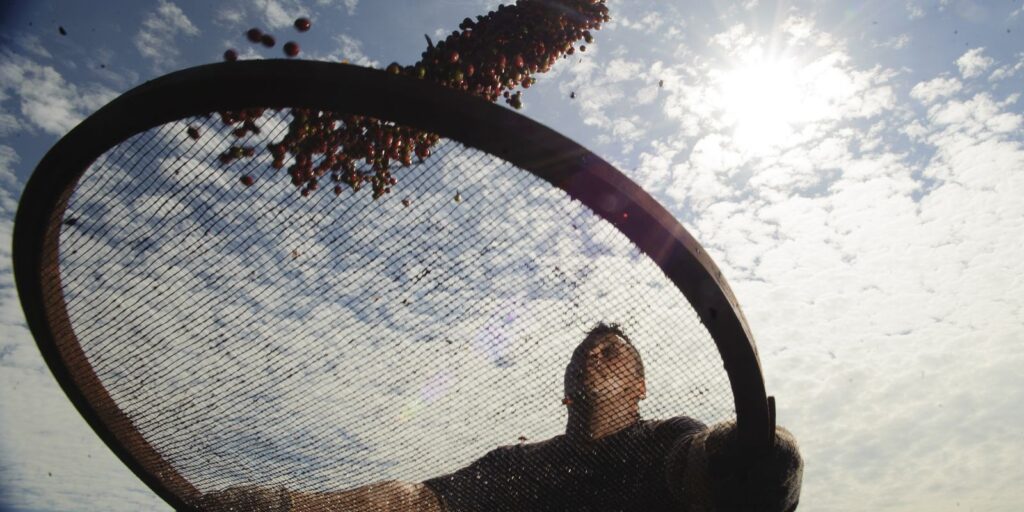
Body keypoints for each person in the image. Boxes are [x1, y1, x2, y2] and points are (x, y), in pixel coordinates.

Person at [198, 323, 802, 511]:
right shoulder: (519, 464)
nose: (592, 354)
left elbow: (702, 467)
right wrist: (283, 507)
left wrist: (762, 455)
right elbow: (419, 503)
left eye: (611, 351)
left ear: (641, 386)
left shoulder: (665, 439)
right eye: (583, 350)